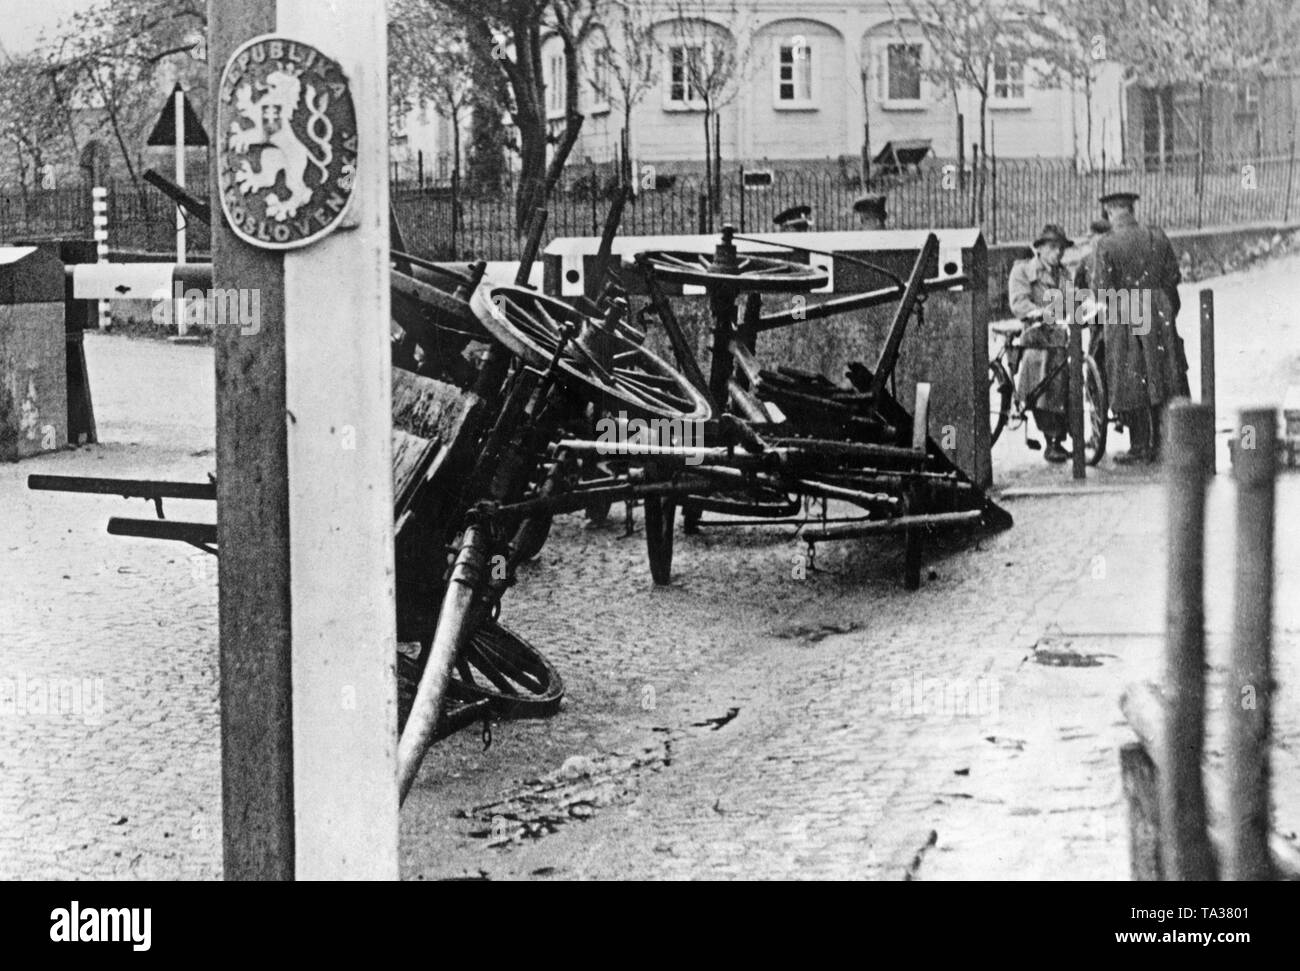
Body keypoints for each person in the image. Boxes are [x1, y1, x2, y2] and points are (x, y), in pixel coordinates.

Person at [1092, 190, 1189, 463]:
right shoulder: (1157, 234)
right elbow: (1173, 276)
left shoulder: (1106, 244)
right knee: (1161, 373)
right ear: (1132, 210)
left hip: (1125, 310)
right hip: (1158, 309)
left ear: (1110, 212)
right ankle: (1160, 443)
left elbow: (1102, 290)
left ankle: (1139, 446)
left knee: (1131, 376)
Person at [1008, 223, 1074, 463]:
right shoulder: (1023, 272)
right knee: (1044, 382)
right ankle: (1051, 441)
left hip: (1059, 337)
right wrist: (1039, 313)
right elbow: (1019, 304)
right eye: (1054, 248)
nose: (1059, 253)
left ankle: (1059, 439)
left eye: (1061, 249)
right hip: (1036, 338)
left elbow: (1071, 303)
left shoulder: (1065, 275)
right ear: (1040, 249)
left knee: (1066, 385)